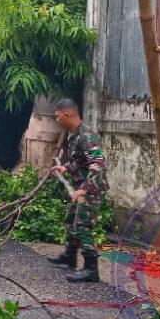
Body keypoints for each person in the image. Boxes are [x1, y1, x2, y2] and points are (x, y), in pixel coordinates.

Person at [47, 99, 109, 282]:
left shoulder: (87, 136)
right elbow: (80, 161)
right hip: (83, 187)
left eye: (57, 116)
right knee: (70, 219)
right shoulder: (74, 135)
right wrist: (65, 168)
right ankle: (69, 257)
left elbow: (98, 164)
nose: (56, 120)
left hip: (92, 189)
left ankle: (91, 270)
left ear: (67, 114)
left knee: (82, 225)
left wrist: (84, 189)